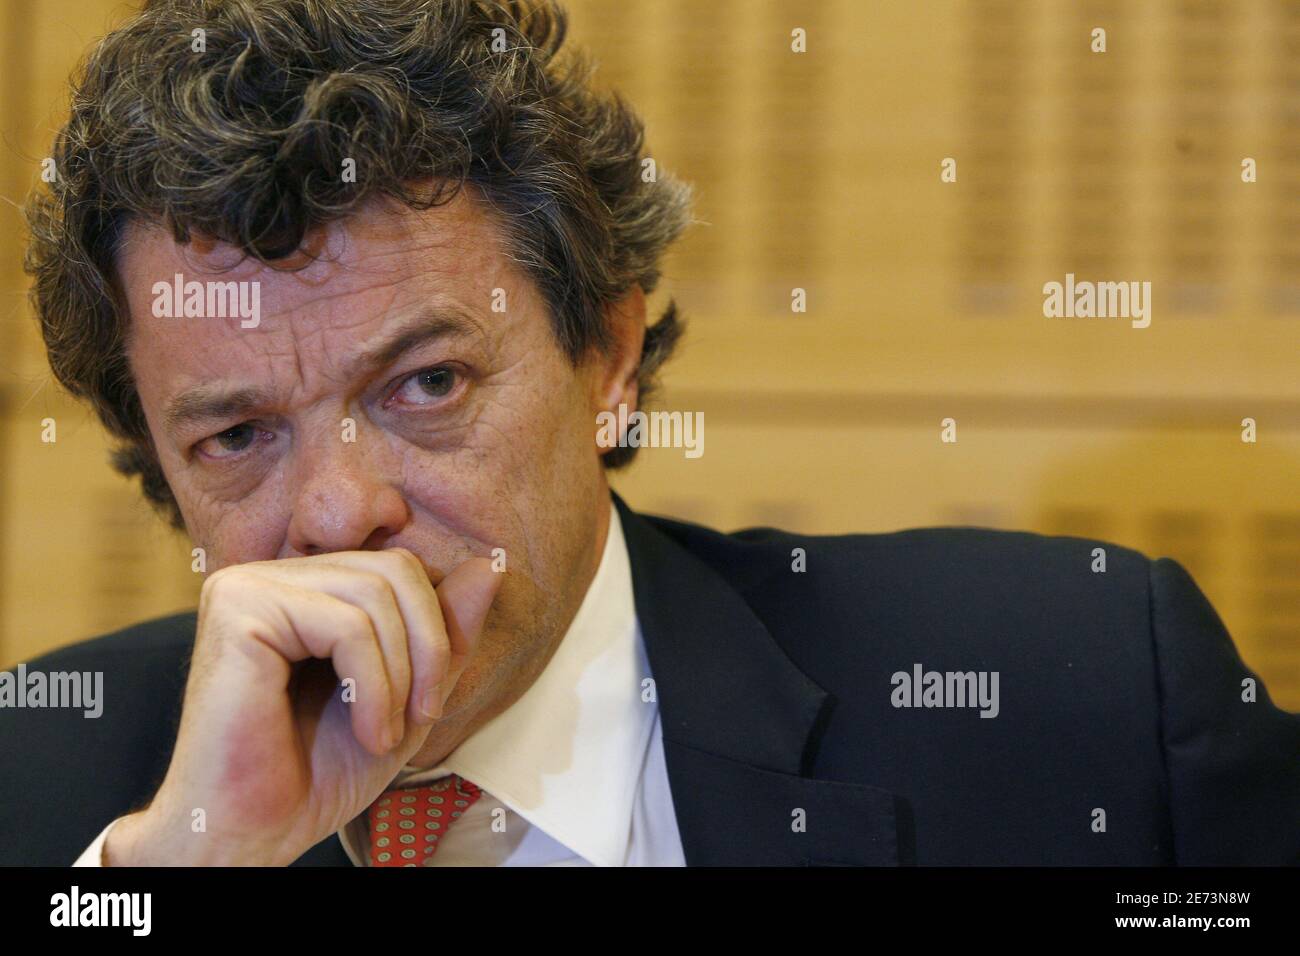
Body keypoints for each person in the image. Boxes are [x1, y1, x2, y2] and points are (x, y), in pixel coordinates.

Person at [2, 0, 1296, 867]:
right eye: (236, 437)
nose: (340, 514)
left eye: (428, 385)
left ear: (608, 355)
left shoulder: (1086, 702)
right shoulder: (45, 788)